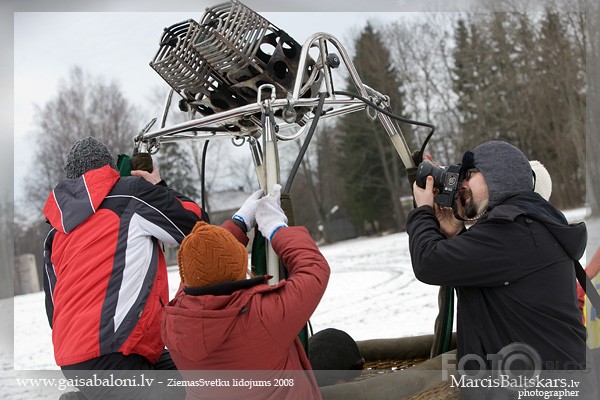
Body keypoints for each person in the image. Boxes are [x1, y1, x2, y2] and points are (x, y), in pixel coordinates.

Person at [407, 141, 587, 382]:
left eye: (468, 175)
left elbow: (427, 263)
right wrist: (457, 235)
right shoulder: (526, 227)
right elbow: (483, 282)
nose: (461, 184)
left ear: (497, 174)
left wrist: (423, 211)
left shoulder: (512, 233)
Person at [43, 137, 205, 400]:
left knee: (195, 372)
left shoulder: (54, 232)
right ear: (108, 169)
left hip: (74, 360)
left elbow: (55, 311)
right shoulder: (131, 194)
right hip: (115, 357)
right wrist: (160, 187)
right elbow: (196, 228)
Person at [162, 184, 330, 400]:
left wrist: (239, 223)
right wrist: (276, 228)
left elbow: (196, 276)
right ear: (240, 265)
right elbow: (314, 269)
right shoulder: (263, 316)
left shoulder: (173, 322)